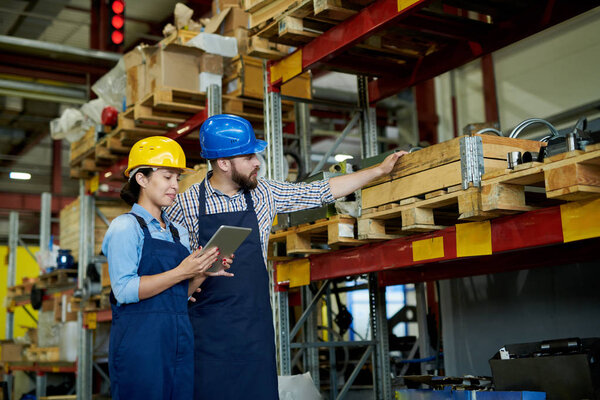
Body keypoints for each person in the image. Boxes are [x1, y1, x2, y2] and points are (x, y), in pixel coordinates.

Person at [166, 114, 407, 400]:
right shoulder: (184, 205)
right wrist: (184, 282)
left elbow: (320, 191)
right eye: (248, 156)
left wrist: (378, 171)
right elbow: (169, 264)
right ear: (223, 163)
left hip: (254, 329)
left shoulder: (264, 194)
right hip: (206, 334)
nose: (258, 162)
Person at [102, 136, 233, 400]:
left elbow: (177, 295)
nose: (175, 186)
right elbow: (125, 289)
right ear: (142, 179)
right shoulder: (125, 227)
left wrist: (202, 273)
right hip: (140, 344)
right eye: (167, 177)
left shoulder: (177, 233)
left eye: (177, 178)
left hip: (178, 339)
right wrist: (182, 272)